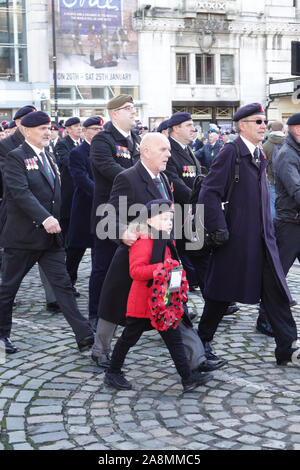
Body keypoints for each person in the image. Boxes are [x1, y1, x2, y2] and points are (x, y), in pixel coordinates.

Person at [92, 132, 227, 372]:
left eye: (169, 149)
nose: (168, 154)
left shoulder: (163, 178)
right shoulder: (128, 177)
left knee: (176, 305)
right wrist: (123, 232)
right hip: (135, 253)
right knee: (114, 304)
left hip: (164, 255)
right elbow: (109, 214)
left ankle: (196, 359)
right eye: (163, 150)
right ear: (145, 151)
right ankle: (100, 351)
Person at [197, 102, 299, 367]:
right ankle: (201, 341)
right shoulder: (231, 152)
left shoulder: (259, 154)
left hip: (264, 238)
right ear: (242, 125)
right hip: (237, 239)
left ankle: (287, 348)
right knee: (221, 293)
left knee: (276, 291)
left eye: (264, 121)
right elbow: (209, 192)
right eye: (257, 121)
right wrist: (218, 227)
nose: (263, 126)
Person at [0, 111, 94, 354]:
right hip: (23, 237)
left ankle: (85, 336)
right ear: (27, 130)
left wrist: (54, 220)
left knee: (62, 286)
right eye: (42, 128)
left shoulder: (48, 156)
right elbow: (20, 193)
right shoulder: (16, 157)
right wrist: (45, 218)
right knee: (9, 288)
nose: (47, 132)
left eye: (49, 128)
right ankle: (2, 335)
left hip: (50, 238)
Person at [104, 199, 213, 392]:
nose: (169, 222)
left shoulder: (163, 239)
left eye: (170, 218)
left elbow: (170, 265)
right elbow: (135, 272)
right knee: (128, 338)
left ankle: (188, 379)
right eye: (164, 218)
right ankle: (113, 372)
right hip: (142, 303)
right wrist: (163, 269)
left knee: (174, 340)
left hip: (162, 303)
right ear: (150, 220)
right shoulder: (143, 241)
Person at [0, 105, 59, 313]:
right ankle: (6, 300)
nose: (43, 130)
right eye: (32, 122)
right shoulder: (7, 146)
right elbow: (14, 186)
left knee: (51, 260)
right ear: (20, 124)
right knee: (12, 271)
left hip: (46, 214)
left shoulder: (43, 144)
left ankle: (54, 297)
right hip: (18, 213)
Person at [89, 94, 140, 330]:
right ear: (114, 114)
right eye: (128, 108)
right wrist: (140, 180)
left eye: (133, 107)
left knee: (130, 267)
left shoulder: (137, 139)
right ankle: (96, 314)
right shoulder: (103, 140)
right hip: (108, 213)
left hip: (134, 214)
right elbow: (109, 168)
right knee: (103, 267)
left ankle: (125, 311)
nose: (133, 111)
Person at [67, 117, 102, 316]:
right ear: (85, 131)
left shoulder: (104, 151)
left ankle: (98, 287)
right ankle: (68, 282)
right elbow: (80, 178)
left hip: (102, 208)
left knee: (99, 248)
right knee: (75, 250)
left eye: (100, 128)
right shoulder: (77, 152)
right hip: (84, 207)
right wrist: (102, 193)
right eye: (95, 129)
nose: (99, 132)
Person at [273, 113, 300, 281]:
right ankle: (269, 306)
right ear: (297, 129)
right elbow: (296, 189)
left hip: (295, 219)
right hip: (290, 222)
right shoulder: (288, 154)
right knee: (279, 269)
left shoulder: (295, 150)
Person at [55, 117, 82, 249]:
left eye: (79, 125)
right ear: (69, 129)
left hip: (82, 189)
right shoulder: (62, 144)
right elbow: (68, 161)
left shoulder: (84, 143)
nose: (79, 128)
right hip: (69, 189)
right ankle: (63, 248)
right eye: (76, 126)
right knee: (66, 221)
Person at [262, 121, 285, 219]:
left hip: (272, 179)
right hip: (289, 179)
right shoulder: (289, 142)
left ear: (270, 129)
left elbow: (263, 164)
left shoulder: (266, 145)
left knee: (272, 204)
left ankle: (273, 227)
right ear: (282, 129)